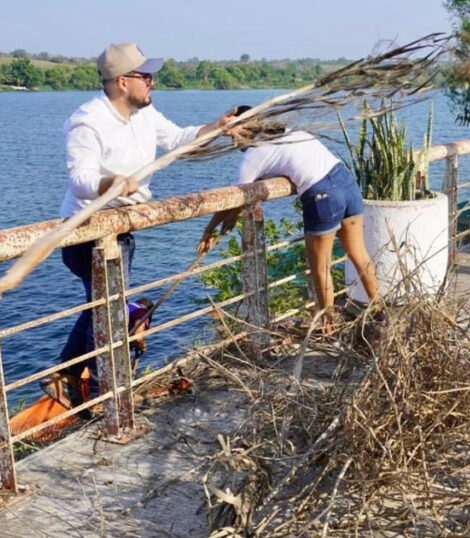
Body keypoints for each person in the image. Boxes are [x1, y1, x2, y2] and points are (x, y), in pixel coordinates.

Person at [47, 42, 235, 405]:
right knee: (110, 312)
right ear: (122, 82)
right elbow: (80, 179)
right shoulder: (87, 122)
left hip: (119, 229)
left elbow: (179, 140)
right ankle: (105, 397)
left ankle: (68, 374)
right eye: (145, 76)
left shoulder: (145, 115)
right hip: (87, 232)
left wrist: (218, 126)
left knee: (100, 307)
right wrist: (111, 182)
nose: (152, 83)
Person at [198, 110, 379, 326]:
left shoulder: (254, 154)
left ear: (246, 128)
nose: (233, 141)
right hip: (345, 180)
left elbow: (235, 196)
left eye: (233, 134)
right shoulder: (289, 131)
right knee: (359, 255)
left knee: (321, 269)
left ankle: (328, 328)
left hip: (322, 194)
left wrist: (210, 228)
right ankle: (380, 311)